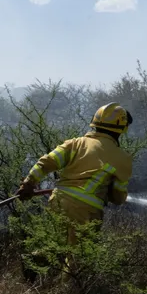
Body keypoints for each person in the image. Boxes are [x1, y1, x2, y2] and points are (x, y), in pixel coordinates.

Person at [16, 102, 134, 247]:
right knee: (77, 261)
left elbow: (46, 162)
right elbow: (118, 197)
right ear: (123, 129)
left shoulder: (75, 143)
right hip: (86, 212)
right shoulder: (123, 158)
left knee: (52, 249)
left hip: (58, 202)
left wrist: (29, 183)